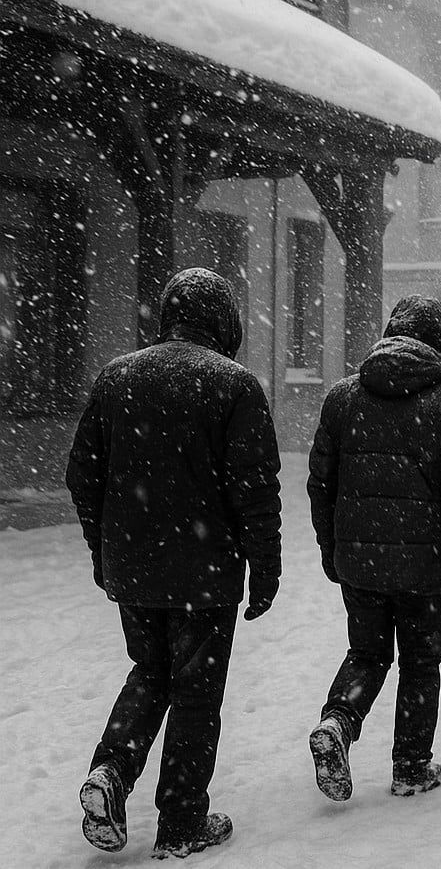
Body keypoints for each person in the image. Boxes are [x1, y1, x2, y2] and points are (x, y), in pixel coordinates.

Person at [66, 268, 281, 859]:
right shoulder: (233, 386)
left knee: (149, 672)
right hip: (205, 573)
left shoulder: (117, 378)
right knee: (195, 694)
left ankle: (109, 773)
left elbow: (81, 474)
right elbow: (254, 489)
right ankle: (182, 822)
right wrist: (265, 567)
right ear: (225, 322)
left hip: (133, 569)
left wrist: (103, 547)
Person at [306, 296, 441, 804]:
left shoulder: (344, 399)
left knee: (366, 654)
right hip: (426, 567)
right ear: (440, 346)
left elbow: (320, 483)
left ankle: (338, 722)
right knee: (420, 662)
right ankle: (411, 766)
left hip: (359, 560)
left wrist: (332, 546)